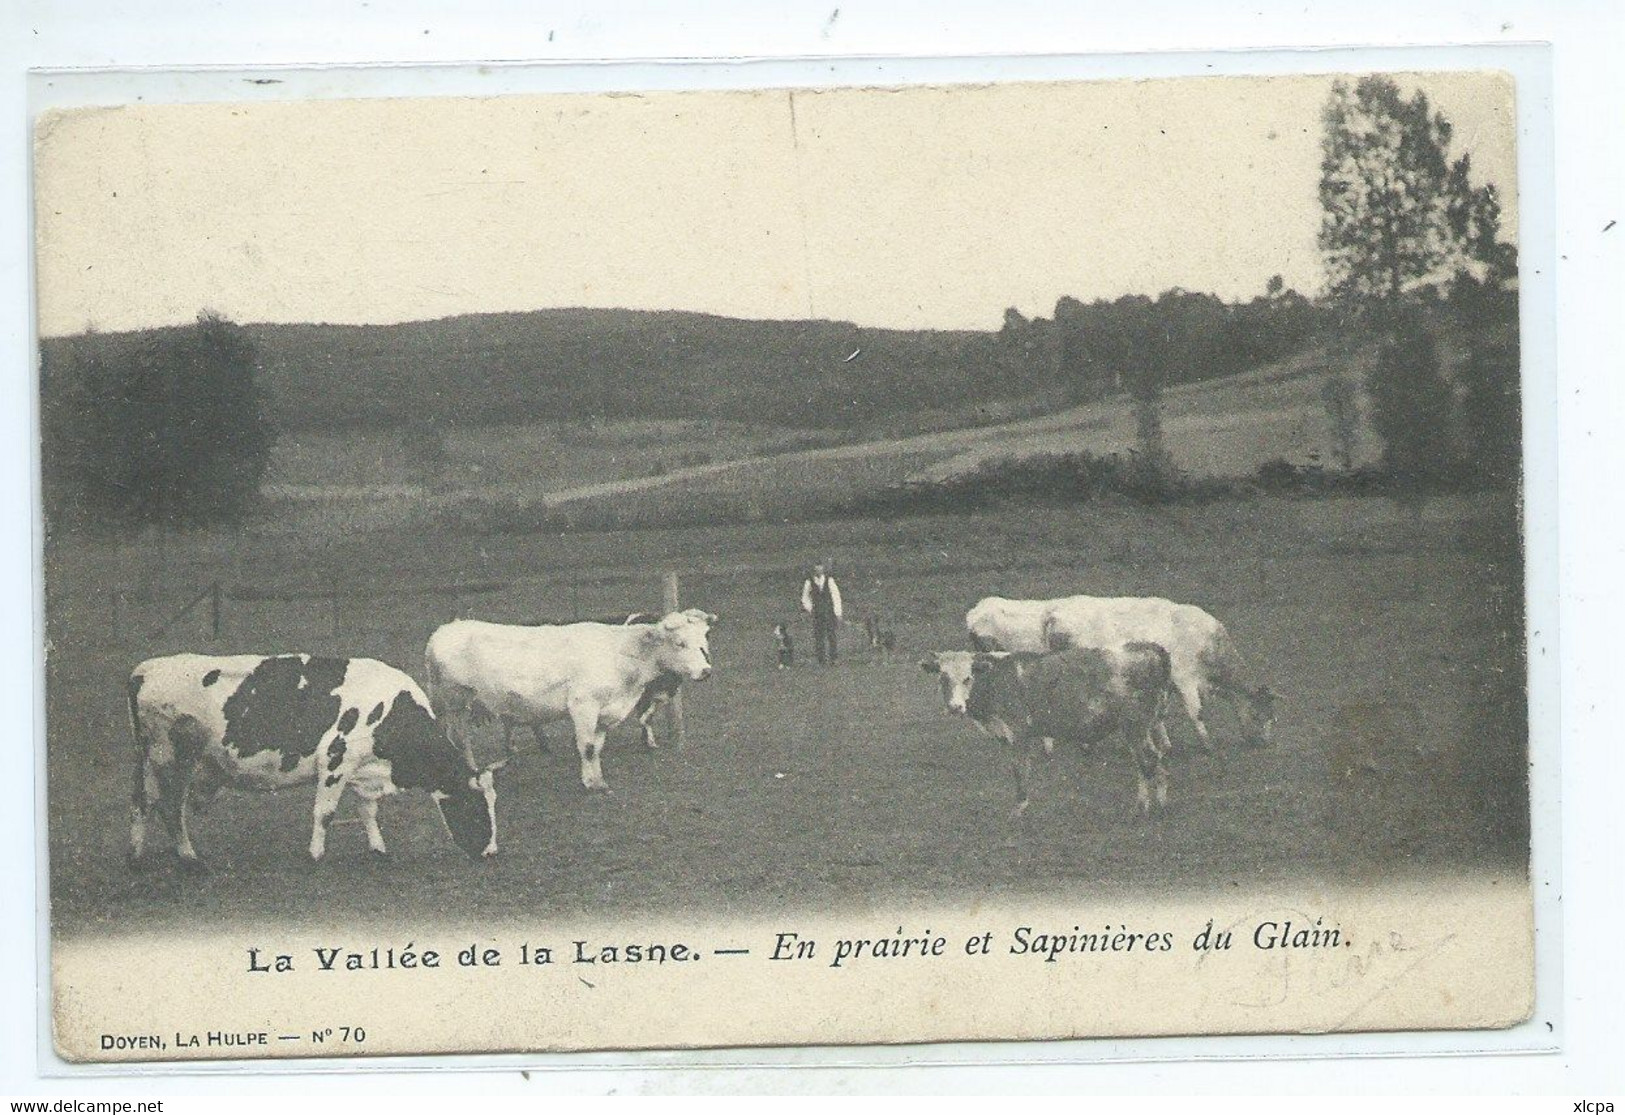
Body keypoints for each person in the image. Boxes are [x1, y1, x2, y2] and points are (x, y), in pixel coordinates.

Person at [800, 560, 844, 665]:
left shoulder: (829, 580)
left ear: (823, 568)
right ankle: (821, 659)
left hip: (829, 612)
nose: (818, 569)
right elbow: (805, 597)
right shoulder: (809, 582)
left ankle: (834, 658)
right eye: (816, 567)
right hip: (817, 613)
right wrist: (811, 608)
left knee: (831, 634)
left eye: (820, 567)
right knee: (819, 636)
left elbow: (836, 596)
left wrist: (838, 613)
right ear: (814, 569)